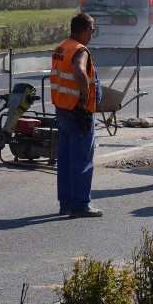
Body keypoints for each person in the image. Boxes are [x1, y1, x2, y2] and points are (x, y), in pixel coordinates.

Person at [51, 13, 103, 217]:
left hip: (62, 109)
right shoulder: (80, 50)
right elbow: (80, 72)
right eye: (92, 30)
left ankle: (66, 202)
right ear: (85, 30)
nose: (92, 34)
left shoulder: (62, 47)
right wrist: (85, 95)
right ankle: (80, 204)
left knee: (65, 159)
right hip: (78, 111)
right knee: (82, 159)